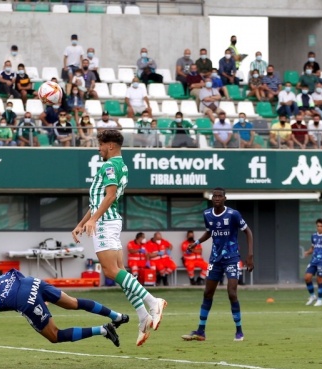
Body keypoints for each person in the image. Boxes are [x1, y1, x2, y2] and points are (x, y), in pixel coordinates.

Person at [72, 129, 167, 347]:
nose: (98, 148)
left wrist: (94, 220)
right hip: (109, 220)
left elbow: (110, 195)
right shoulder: (121, 165)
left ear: (110, 146)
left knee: (110, 271)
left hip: (106, 222)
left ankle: (154, 302)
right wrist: (81, 223)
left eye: (100, 145)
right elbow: (100, 200)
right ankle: (143, 316)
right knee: (120, 272)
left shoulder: (109, 165)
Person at [0, 270, 129, 364]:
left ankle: (103, 330)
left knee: (55, 335)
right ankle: (118, 316)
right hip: (31, 282)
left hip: (25, 299)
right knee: (74, 303)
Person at [182, 188, 254, 342]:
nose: (216, 198)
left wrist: (250, 255)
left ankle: (239, 331)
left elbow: (248, 232)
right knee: (207, 293)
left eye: (219, 196)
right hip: (215, 260)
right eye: (214, 196)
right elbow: (210, 232)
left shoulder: (233, 214)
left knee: (232, 293)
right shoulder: (207, 214)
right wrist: (196, 243)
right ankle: (201, 331)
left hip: (232, 258)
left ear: (225, 198)